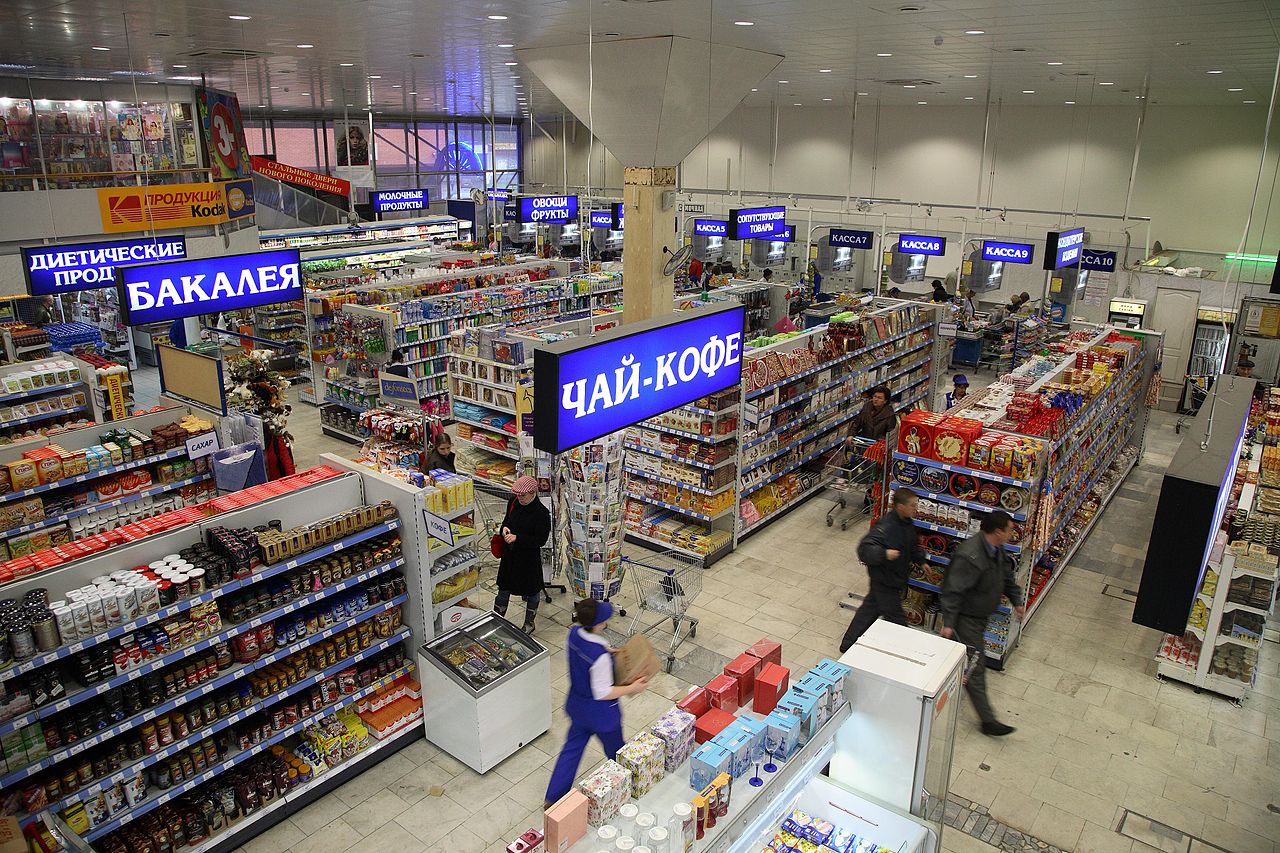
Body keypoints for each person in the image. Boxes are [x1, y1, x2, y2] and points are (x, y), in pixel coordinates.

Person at [544, 598, 650, 806]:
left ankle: (553, 798)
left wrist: (609, 651)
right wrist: (633, 688)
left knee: (571, 750)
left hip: (578, 707)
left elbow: (585, 653)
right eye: (604, 620)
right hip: (602, 715)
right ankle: (630, 784)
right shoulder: (599, 657)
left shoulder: (573, 633)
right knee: (618, 752)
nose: (606, 623)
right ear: (597, 624)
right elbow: (602, 692)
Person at [940, 510, 1025, 736]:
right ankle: (988, 721)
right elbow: (952, 590)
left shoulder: (996, 549)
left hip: (980, 617)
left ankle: (940, 691)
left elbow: (1006, 577)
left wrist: (1017, 601)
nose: (1012, 533)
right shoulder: (970, 555)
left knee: (963, 663)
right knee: (975, 668)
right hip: (966, 620)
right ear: (998, 532)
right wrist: (948, 622)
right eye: (1009, 529)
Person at [840, 488, 925, 651]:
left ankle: (848, 644)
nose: (916, 509)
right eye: (913, 505)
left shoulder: (907, 523)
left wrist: (922, 561)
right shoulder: (886, 526)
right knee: (897, 620)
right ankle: (907, 650)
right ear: (901, 507)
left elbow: (912, 545)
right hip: (885, 580)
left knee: (869, 611)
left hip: (892, 579)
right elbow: (864, 549)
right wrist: (884, 553)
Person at [495, 475, 552, 633]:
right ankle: (496, 620)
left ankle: (529, 623)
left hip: (528, 560)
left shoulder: (541, 513)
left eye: (523, 495)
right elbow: (506, 521)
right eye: (518, 494)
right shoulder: (513, 502)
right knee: (503, 590)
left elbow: (540, 540)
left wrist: (517, 538)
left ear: (533, 493)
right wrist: (504, 530)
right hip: (510, 557)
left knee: (532, 591)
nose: (520, 497)